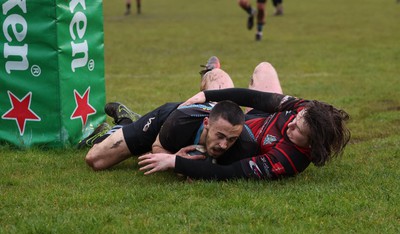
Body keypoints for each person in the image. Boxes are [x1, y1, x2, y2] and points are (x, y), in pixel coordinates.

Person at [138, 61, 351, 181]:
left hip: (241, 131)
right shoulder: (305, 110)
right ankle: (212, 70)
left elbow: (230, 172)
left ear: (311, 144)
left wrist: (174, 161)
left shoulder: (287, 160)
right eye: (295, 119)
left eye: (297, 130)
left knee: (219, 78)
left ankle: (214, 73)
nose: (291, 123)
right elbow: (255, 98)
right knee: (264, 68)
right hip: (256, 116)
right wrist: (207, 97)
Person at [82, 100, 257, 171]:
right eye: (219, 136)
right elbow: (157, 147)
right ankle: (126, 122)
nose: (224, 145)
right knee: (96, 160)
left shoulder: (246, 143)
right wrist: (174, 160)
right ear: (206, 124)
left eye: (231, 139)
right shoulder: (180, 123)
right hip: (163, 121)